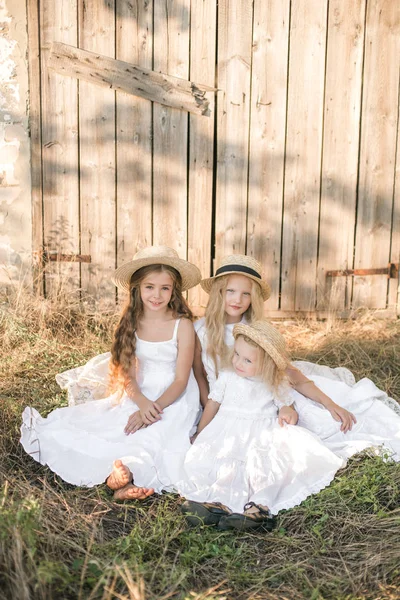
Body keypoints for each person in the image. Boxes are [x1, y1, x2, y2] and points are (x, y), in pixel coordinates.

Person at [20, 246, 202, 500]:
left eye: (165, 288)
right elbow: (126, 372)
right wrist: (140, 401)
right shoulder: (132, 321)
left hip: (174, 398)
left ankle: (127, 473)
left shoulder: (182, 325)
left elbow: (182, 379)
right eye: (150, 287)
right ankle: (119, 474)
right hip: (142, 392)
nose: (157, 295)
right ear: (137, 287)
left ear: (174, 291)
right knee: (117, 426)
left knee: (159, 434)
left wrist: (153, 408)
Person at [194, 254, 400, 461]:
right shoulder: (201, 331)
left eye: (245, 294)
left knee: (321, 423)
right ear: (219, 291)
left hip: (265, 395)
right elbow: (199, 375)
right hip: (225, 400)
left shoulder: (256, 330)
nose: (237, 299)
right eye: (230, 291)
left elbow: (289, 373)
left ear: (253, 298)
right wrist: (209, 409)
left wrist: (330, 404)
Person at [178, 320, 345, 530]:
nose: (238, 362)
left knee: (265, 469)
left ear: (266, 364)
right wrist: (201, 432)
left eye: (247, 360)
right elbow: (213, 403)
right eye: (237, 354)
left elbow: (285, 404)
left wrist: (287, 410)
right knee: (221, 465)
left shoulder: (272, 381)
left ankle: (258, 510)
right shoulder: (229, 376)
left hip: (260, 433)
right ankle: (217, 504)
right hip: (227, 432)